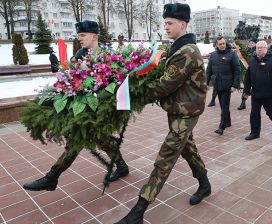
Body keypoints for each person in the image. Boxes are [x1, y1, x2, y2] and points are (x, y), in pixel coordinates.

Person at [115, 3, 211, 223]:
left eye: (169, 23)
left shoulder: (186, 52)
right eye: (165, 23)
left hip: (186, 113)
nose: (165, 27)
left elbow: (165, 85)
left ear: (183, 24)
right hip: (178, 110)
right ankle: (205, 185)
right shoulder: (177, 48)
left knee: (165, 158)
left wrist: (133, 96)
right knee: (189, 150)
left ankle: (138, 211)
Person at [22, 21, 129, 192]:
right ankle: (122, 166)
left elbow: (116, 84)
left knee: (77, 142)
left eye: (82, 35)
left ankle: (52, 177)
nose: (79, 38)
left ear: (94, 36)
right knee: (103, 140)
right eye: (78, 35)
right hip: (83, 110)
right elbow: (71, 79)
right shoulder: (79, 55)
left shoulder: (108, 57)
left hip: (99, 111)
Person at [243, 40, 272, 141]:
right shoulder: (252, 61)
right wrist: (247, 90)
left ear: (266, 48)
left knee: (271, 112)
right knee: (254, 113)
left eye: (261, 47)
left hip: (269, 93)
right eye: (257, 48)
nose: (259, 49)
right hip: (256, 93)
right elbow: (248, 77)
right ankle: (255, 133)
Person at [206, 37, 241, 135]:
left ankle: (221, 127)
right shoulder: (213, 55)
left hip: (227, 85)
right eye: (220, 44)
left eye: (224, 43)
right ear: (216, 45)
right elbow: (208, 70)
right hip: (217, 84)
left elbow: (237, 70)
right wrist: (206, 83)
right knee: (222, 105)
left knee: (224, 105)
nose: (222, 45)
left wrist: (235, 85)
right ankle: (228, 121)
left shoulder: (232, 54)